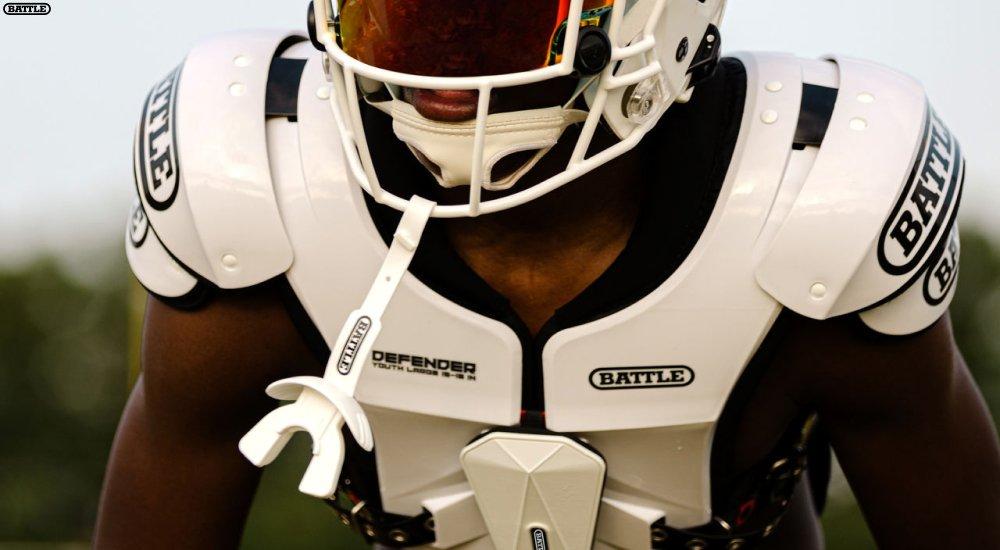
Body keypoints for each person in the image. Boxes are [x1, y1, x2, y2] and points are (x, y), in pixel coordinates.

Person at [96, 1, 1000, 548]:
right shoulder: (257, 194)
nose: (440, 77)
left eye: (491, 22)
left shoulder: (819, 204)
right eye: (405, 16)